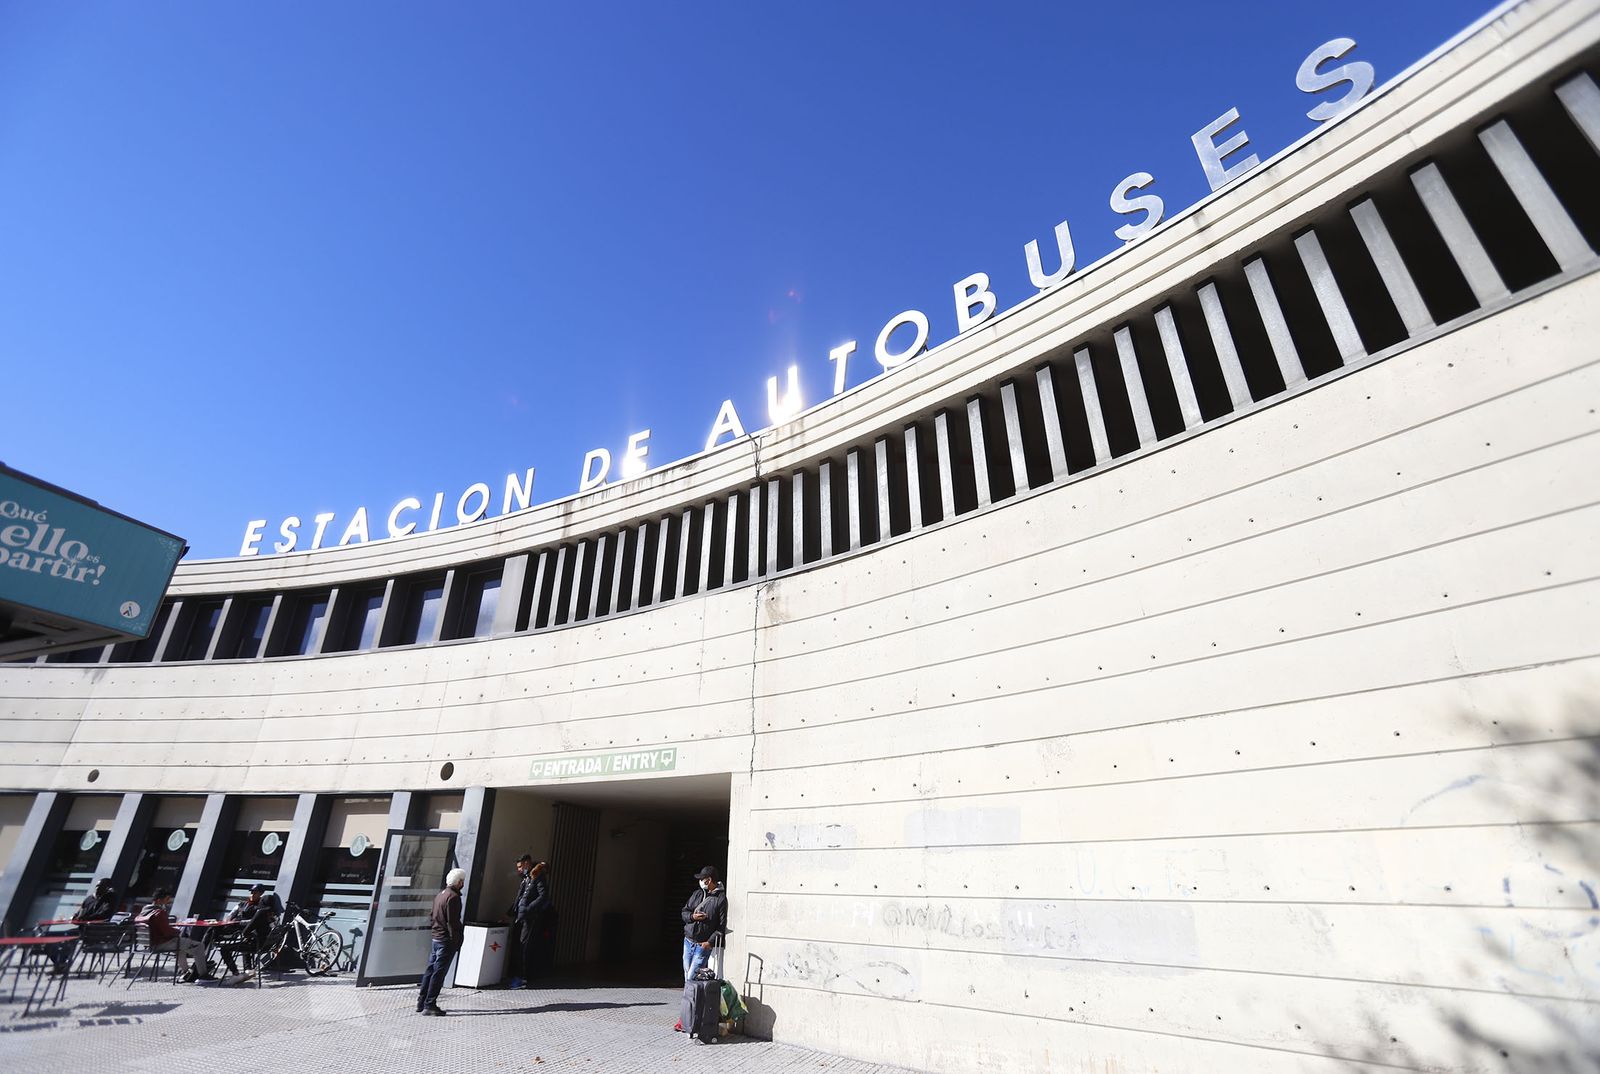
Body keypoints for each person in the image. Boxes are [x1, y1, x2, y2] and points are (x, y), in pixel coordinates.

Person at [417, 867, 465, 1015]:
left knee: (430, 970)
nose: (463, 884)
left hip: (436, 938)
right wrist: (457, 940)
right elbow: (453, 922)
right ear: (458, 882)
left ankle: (421, 1001)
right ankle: (430, 1004)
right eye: (462, 881)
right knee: (439, 972)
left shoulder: (440, 895)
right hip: (445, 940)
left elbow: (432, 916)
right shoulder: (453, 897)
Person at [136, 888, 206, 982]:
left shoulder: (144, 910)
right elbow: (167, 932)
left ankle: (186, 972)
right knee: (199, 946)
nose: (168, 901)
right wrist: (177, 931)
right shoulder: (159, 912)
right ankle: (203, 976)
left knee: (181, 947)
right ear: (159, 900)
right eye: (167, 898)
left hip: (150, 944)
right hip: (161, 943)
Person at [217, 883, 281, 983]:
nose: (252, 894)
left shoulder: (259, 914)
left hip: (256, 945)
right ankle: (249, 969)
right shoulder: (272, 917)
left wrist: (243, 929)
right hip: (266, 945)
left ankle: (236, 974)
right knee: (246, 941)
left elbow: (246, 931)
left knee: (224, 949)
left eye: (255, 892)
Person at [507, 855, 552, 989]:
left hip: (529, 917)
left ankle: (522, 977)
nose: (519, 870)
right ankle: (516, 974)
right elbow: (520, 897)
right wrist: (510, 912)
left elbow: (543, 896)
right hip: (520, 917)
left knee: (523, 946)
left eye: (521, 866)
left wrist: (528, 909)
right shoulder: (526, 879)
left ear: (527, 863)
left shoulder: (537, 876)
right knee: (517, 945)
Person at [680, 866, 728, 981]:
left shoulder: (720, 899)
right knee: (687, 974)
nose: (701, 881)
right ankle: (690, 998)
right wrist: (692, 917)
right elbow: (684, 912)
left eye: (702, 879)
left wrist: (709, 942)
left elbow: (721, 926)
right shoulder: (697, 894)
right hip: (688, 940)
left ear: (709, 880)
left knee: (692, 977)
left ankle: (692, 998)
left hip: (702, 945)